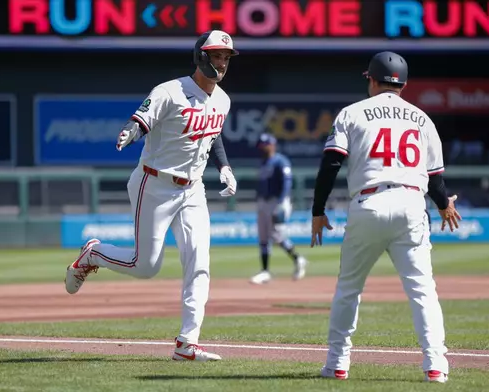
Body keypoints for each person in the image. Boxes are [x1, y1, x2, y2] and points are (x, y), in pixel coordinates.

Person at [64, 30, 240, 362]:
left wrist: (225, 167)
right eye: (217, 55)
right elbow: (142, 119)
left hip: (193, 189)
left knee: (199, 263)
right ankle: (93, 254)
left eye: (227, 57)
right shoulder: (170, 91)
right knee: (145, 266)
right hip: (154, 184)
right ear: (201, 56)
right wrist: (131, 131)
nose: (222, 62)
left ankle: (187, 343)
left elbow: (212, 135)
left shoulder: (223, 99)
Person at [310, 51, 461, 383]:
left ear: (372, 80)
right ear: (403, 84)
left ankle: (337, 364)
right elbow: (434, 178)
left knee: (349, 288)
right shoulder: (422, 118)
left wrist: (318, 210)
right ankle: (435, 366)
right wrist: (443, 204)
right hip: (411, 203)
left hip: (369, 203)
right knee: (423, 291)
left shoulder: (352, 113)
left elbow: (331, 164)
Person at [250, 133, 308, 284]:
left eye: (265, 145)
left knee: (277, 236)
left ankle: (298, 259)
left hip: (277, 202)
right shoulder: (263, 163)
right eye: (261, 145)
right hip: (263, 202)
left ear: (272, 145)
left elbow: (287, 183)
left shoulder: (280, 161)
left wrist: (281, 203)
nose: (262, 148)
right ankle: (265, 271)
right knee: (263, 236)